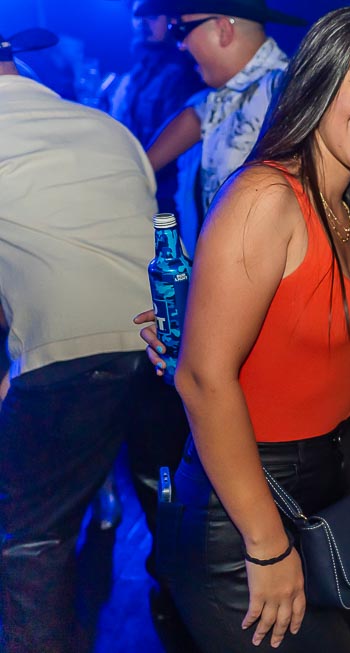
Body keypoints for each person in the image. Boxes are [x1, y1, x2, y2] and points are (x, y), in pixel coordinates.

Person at [159, 7, 350, 650]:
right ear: (317, 80)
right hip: (246, 514)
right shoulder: (266, 197)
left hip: (322, 497)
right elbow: (204, 379)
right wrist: (266, 544)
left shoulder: (349, 215)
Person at [0, 31, 191, 653]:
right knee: (171, 514)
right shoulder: (108, 129)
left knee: (31, 539)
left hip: (72, 367)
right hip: (164, 355)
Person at [146, 0, 306, 255]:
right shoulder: (220, 99)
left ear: (223, 30)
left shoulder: (287, 92)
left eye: (181, 30)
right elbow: (193, 119)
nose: (181, 44)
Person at [101, 0, 204, 214]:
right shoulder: (137, 71)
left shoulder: (186, 73)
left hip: (166, 196)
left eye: (153, 17)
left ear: (172, 21)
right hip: (134, 185)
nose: (142, 24)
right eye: (137, 17)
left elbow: (178, 144)